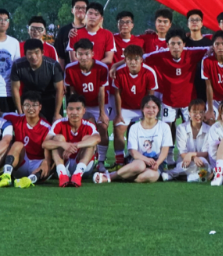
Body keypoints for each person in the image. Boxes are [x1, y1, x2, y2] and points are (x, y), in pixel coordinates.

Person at [93, 95, 173, 184]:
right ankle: (110, 177)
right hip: (138, 160)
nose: (151, 110)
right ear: (142, 109)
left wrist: (157, 163)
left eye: (154, 107)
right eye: (147, 107)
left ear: (158, 110)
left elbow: (165, 151)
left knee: (151, 175)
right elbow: (133, 152)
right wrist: (146, 160)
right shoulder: (135, 127)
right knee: (140, 166)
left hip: (156, 163)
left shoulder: (164, 127)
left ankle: (122, 177)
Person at [63, 39, 111, 172]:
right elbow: (72, 92)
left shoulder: (101, 67)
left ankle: (101, 160)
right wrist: (74, 109)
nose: (83, 57)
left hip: (97, 103)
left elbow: (101, 91)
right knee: (82, 129)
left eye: (86, 54)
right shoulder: (70, 68)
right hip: (81, 104)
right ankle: (80, 158)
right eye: (80, 54)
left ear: (92, 54)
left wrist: (102, 112)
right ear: (76, 54)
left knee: (102, 127)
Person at [110, 45, 159, 168]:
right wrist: (118, 114)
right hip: (126, 107)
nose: (133, 62)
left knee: (145, 131)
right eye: (129, 59)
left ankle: (146, 158)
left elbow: (150, 97)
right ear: (125, 60)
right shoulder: (119, 72)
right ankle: (119, 161)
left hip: (142, 108)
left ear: (141, 59)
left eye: (136, 59)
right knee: (118, 128)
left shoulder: (149, 72)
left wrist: (147, 114)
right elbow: (117, 94)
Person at [43, 94, 100, 188]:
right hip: (65, 162)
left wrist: (75, 145)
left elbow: (97, 139)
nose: (74, 112)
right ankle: (62, 174)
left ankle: (78, 174)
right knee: (58, 138)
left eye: (78, 109)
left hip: (84, 166)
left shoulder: (89, 125)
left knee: (88, 139)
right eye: (71, 109)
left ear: (84, 111)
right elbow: (45, 144)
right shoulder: (59, 123)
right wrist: (63, 144)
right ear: (66, 110)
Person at [0, 92, 53, 188]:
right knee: (17, 144)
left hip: (38, 163)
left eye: (34, 105)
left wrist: (46, 162)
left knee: (48, 163)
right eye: (27, 105)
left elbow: (48, 148)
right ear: (22, 107)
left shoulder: (47, 127)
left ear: (40, 107)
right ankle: (6, 175)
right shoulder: (16, 118)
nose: (30, 108)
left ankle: (28, 180)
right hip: (21, 163)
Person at [11, 39, 64, 122]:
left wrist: (56, 114)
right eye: (30, 53)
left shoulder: (53, 66)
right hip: (30, 98)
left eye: (36, 52)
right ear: (25, 54)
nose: (33, 56)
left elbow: (59, 90)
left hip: (50, 99)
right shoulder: (17, 65)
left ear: (42, 52)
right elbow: (15, 89)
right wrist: (20, 112)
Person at [170, 99, 212, 181]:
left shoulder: (209, 129)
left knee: (204, 164)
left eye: (201, 112)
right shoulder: (181, 128)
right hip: (185, 159)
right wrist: (192, 158)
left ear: (204, 113)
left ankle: (183, 176)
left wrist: (191, 154)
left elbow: (205, 152)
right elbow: (182, 152)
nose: (198, 115)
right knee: (184, 165)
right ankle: (176, 174)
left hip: (201, 160)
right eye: (194, 112)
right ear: (189, 113)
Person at [185, 9, 214, 102]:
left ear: (202, 24)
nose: (194, 22)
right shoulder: (183, 43)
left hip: (205, 83)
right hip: (188, 83)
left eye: (197, 20)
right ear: (187, 24)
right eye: (191, 20)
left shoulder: (210, 44)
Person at [55, 0, 88, 69]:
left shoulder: (92, 30)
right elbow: (61, 57)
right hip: (70, 72)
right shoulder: (63, 31)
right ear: (72, 10)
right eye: (77, 7)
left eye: (83, 8)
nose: (80, 10)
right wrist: (62, 74)